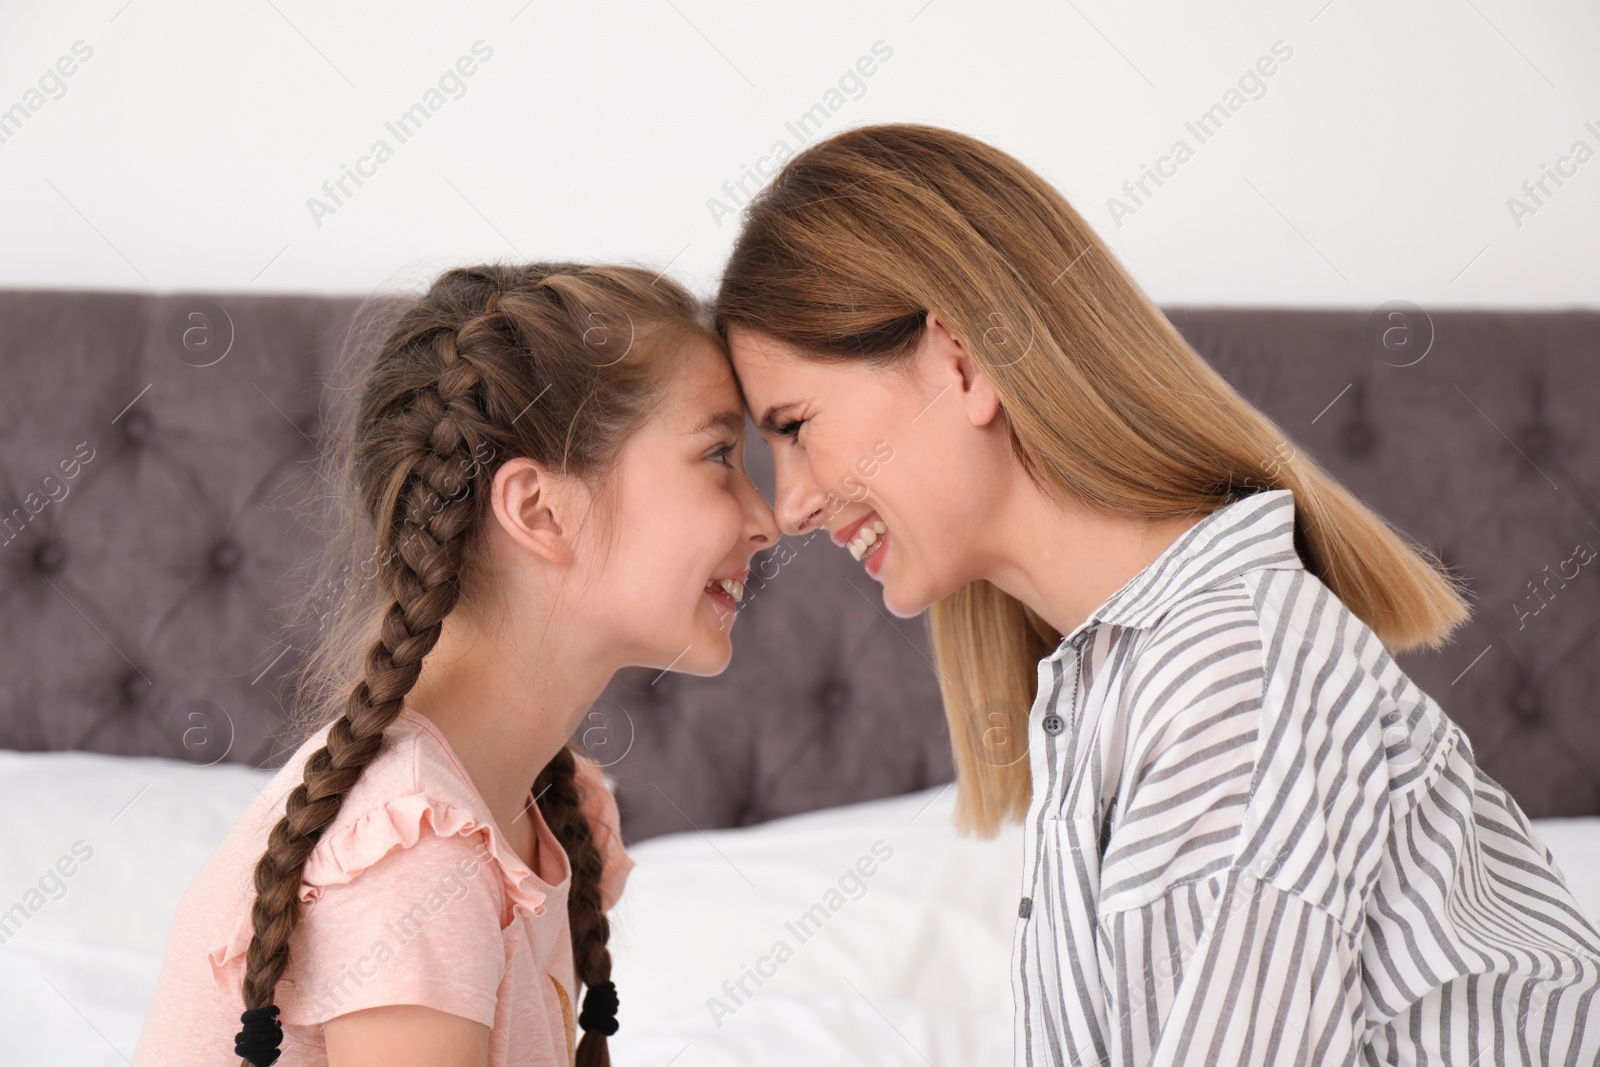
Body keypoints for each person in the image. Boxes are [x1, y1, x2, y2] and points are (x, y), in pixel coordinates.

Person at [714, 123, 1600, 1066]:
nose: (793, 502)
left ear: (960, 361)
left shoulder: (1223, 670)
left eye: (797, 425)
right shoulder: (1117, 680)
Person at [134, 262, 779, 1067]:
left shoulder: (542, 806)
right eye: (720, 454)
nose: (768, 518)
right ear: (539, 510)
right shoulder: (416, 856)